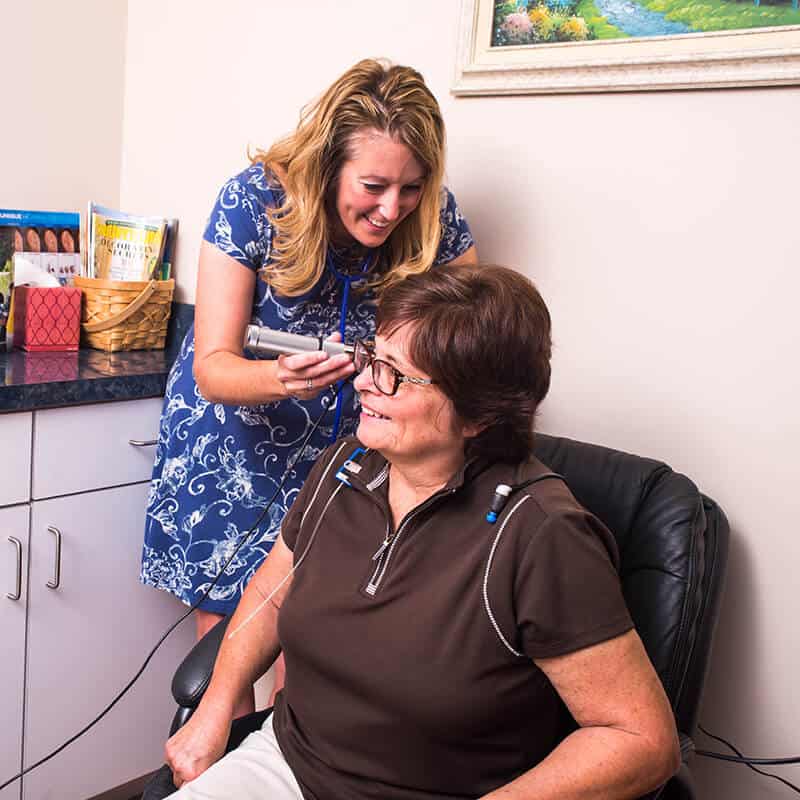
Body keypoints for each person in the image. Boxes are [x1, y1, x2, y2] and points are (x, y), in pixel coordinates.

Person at [162, 265, 680, 800]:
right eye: (371, 356)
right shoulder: (347, 467)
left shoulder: (543, 536)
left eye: (393, 373)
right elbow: (270, 597)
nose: (362, 380)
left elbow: (641, 739)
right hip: (288, 764)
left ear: (479, 414)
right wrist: (216, 708)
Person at [140, 57, 476, 716]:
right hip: (234, 448)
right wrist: (279, 378)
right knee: (227, 672)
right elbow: (213, 364)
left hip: (347, 465)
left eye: (409, 188)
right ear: (327, 167)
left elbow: (475, 337)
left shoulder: (433, 215)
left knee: (316, 660)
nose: (391, 209)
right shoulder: (252, 201)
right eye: (374, 185)